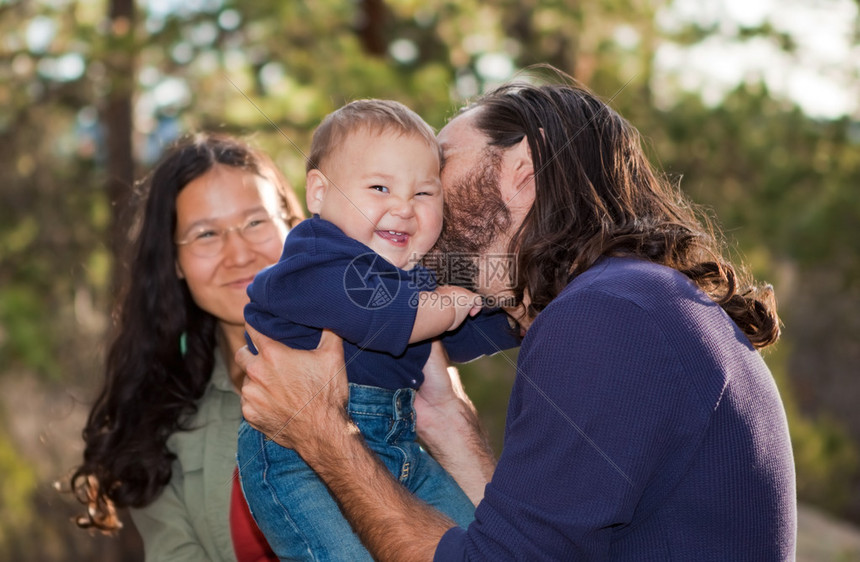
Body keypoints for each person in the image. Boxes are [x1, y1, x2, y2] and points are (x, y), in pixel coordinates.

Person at [236, 69, 797, 561]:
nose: (414, 197)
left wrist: (320, 433)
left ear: (523, 170)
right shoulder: (637, 305)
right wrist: (447, 421)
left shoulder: (610, 314)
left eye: (439, 164)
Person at [238, 99, 520, 560]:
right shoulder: (313, 258)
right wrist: (450, 303)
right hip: (296, 458)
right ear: (319, 193)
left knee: (473, 544)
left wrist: (521, 312)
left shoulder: (411, 275)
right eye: (379, 187)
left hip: (399, 443)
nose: (404, 208)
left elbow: (454, 334)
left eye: (424, 194)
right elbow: (382, 314)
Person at [70, 133, 304, 561]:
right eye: (206, 234)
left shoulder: (383, 359)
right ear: (174, 263)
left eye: (256, 222)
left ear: (292, 224)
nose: (238, 254)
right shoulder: (159, 421)